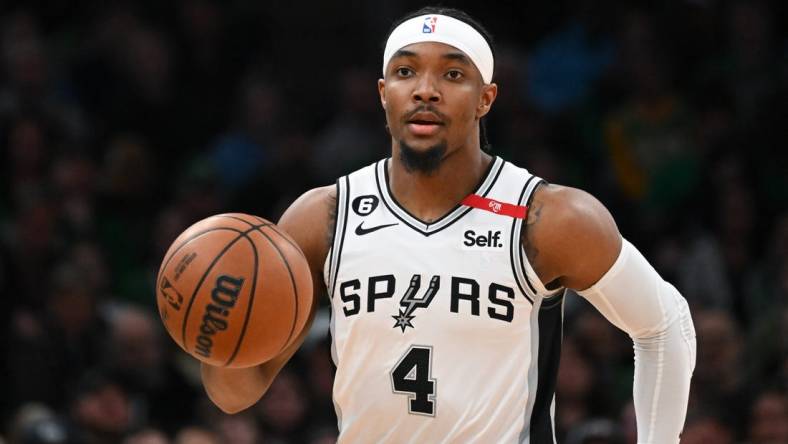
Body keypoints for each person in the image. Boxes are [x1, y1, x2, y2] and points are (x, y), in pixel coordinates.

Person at [200, 6, 696, 443]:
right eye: (406, 71)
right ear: (382, 93)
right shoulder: (325, 216)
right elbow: (236, 392)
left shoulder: (549, 217)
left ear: (486, 98)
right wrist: (214, 329)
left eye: (453, 75)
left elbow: (665, 323)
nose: (425, 91)